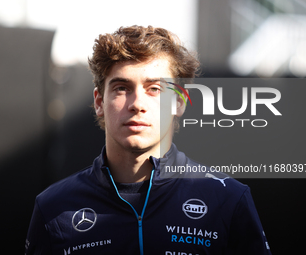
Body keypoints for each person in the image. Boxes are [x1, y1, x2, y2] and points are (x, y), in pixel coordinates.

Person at [25, 25, 271, 255]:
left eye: (154, 89)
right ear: (99, 102)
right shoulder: (54, 207)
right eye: (122, 88)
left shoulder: (228, 199)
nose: (137, 105)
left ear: (179, 102)